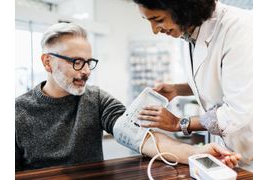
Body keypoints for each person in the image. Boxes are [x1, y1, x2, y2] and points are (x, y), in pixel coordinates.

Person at [15, 22, 241, 171]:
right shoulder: (18, 112)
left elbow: (140, 136)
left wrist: (196, 152)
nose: (85, 70)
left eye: (89, 62)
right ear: (47, 62)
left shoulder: (96, 99)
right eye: (76, 62)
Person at [133, 0, 253, 179]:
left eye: (158, 19)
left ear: (183, 7)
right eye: (148, 20)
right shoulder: (188, 32)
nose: (154, 30)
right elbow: (217, 78)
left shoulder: (236, 28)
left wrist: (180, 123)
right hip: (233, 147)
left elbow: (237, 112)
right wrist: (177, 89)